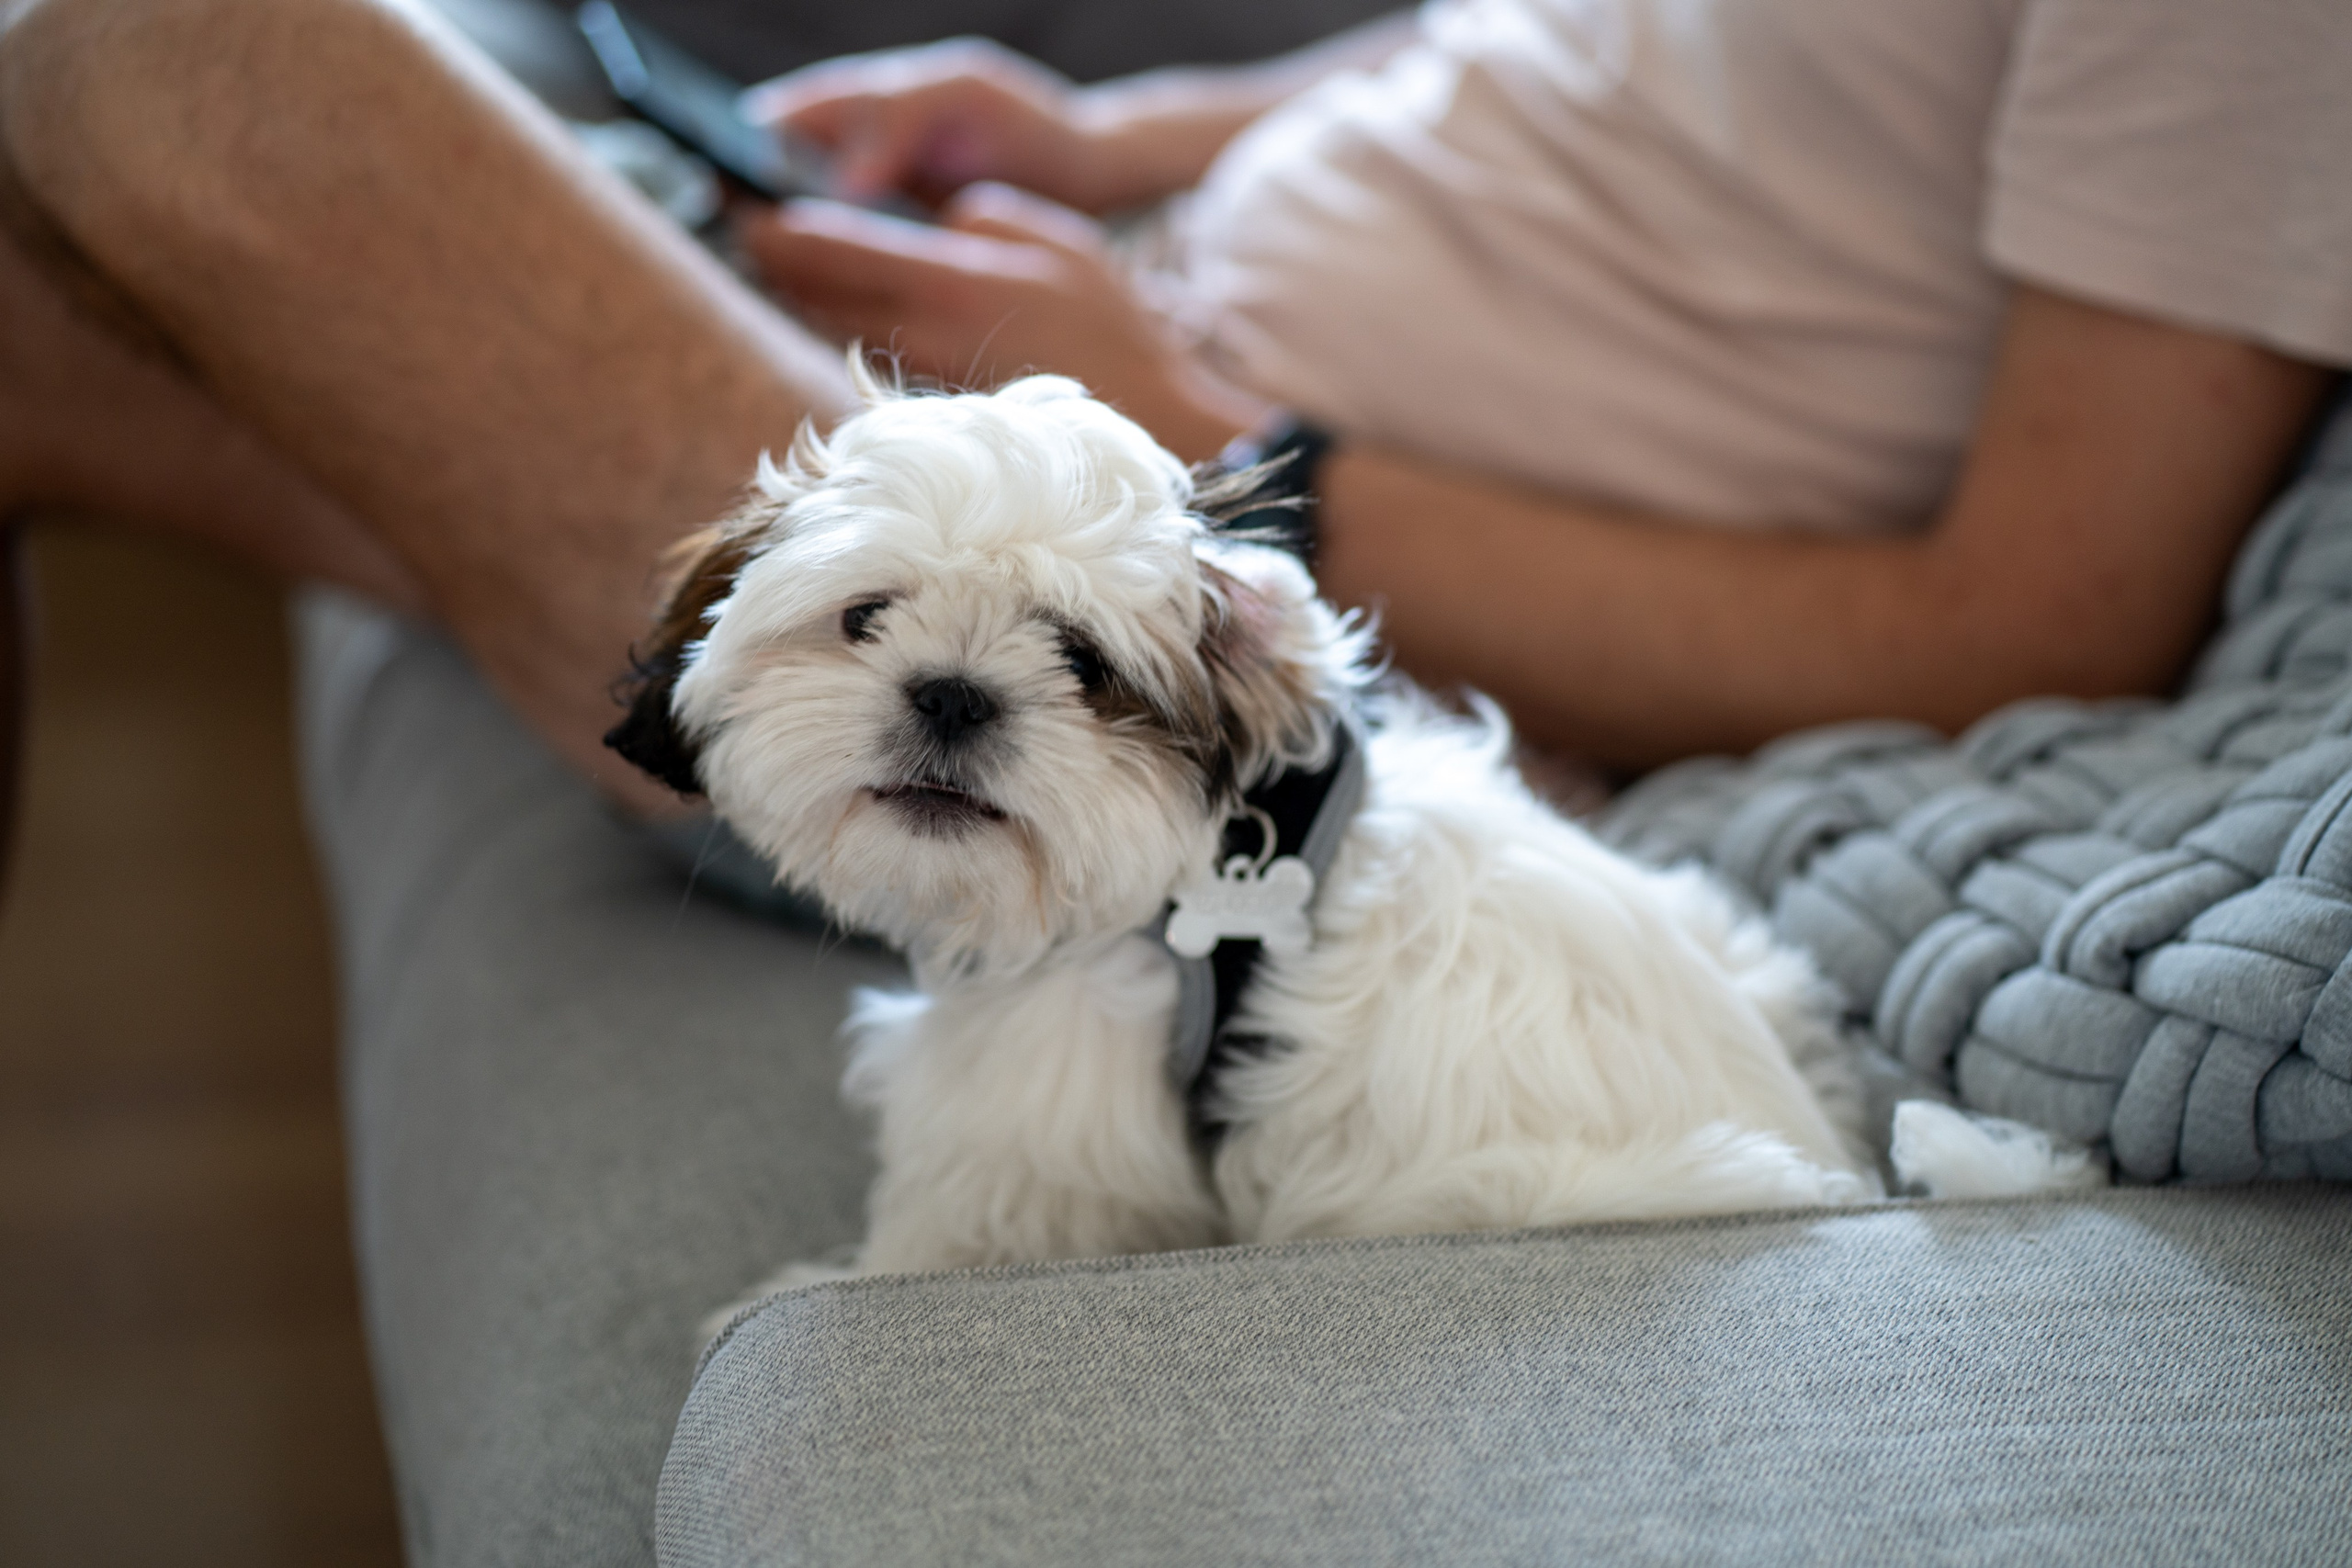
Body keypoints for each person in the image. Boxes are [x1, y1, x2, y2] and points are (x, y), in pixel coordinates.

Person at [4, 0, 2343, 821]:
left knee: (182, 55)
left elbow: (2034, 623)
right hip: (1090, 401)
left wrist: (1232, 450)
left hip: (1170, 625)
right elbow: (1550, 62)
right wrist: (1107, 144)